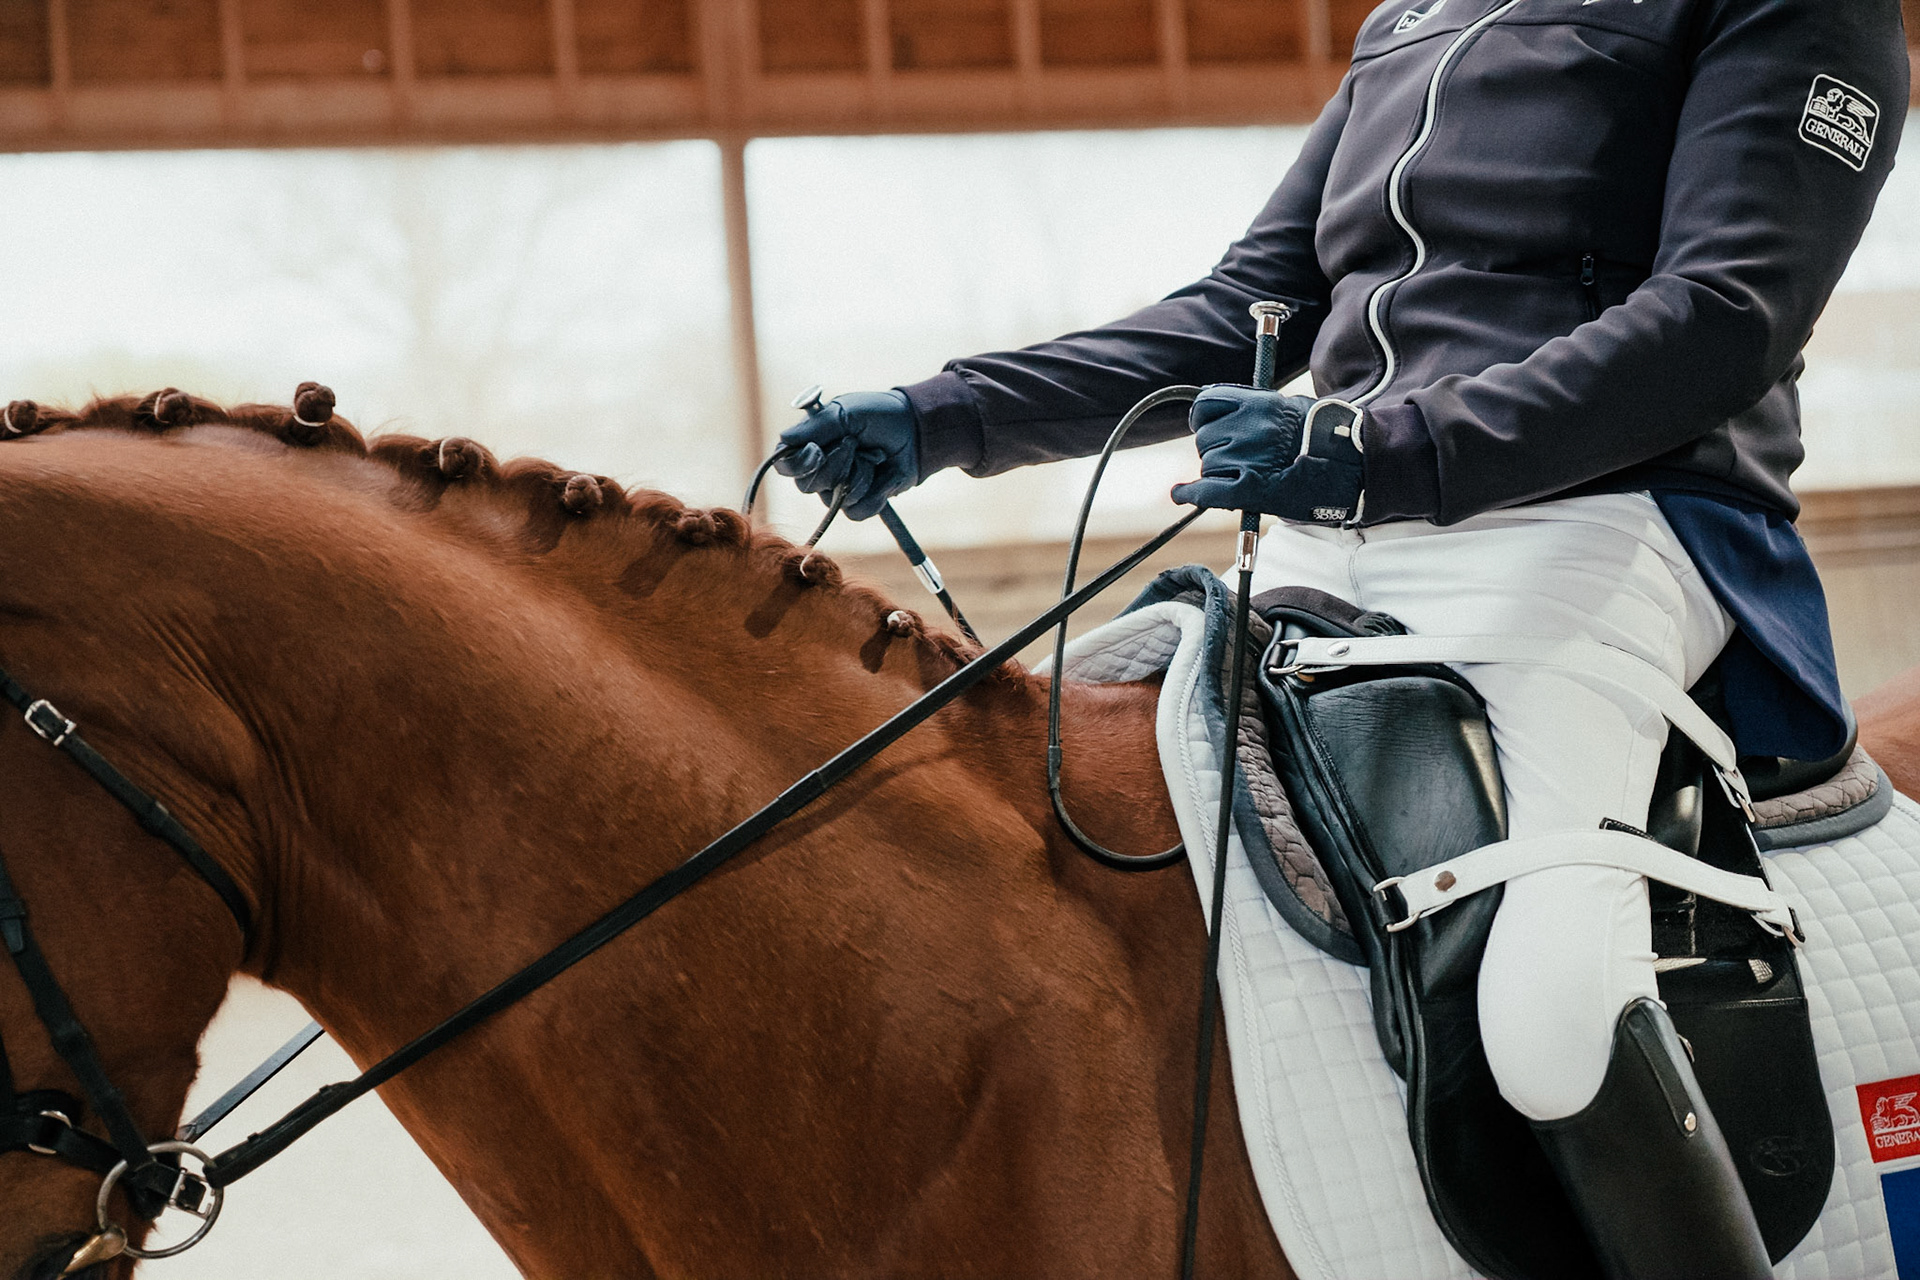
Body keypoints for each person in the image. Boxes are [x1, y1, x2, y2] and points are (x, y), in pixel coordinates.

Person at [775, 0, 1909, 1275]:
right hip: (1345, 525)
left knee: (1550, 1006)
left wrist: (1383, 451)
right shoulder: (1417, 18)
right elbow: (1250, 305)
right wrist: (949, 415)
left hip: (1605, 522)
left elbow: (1726, 315)